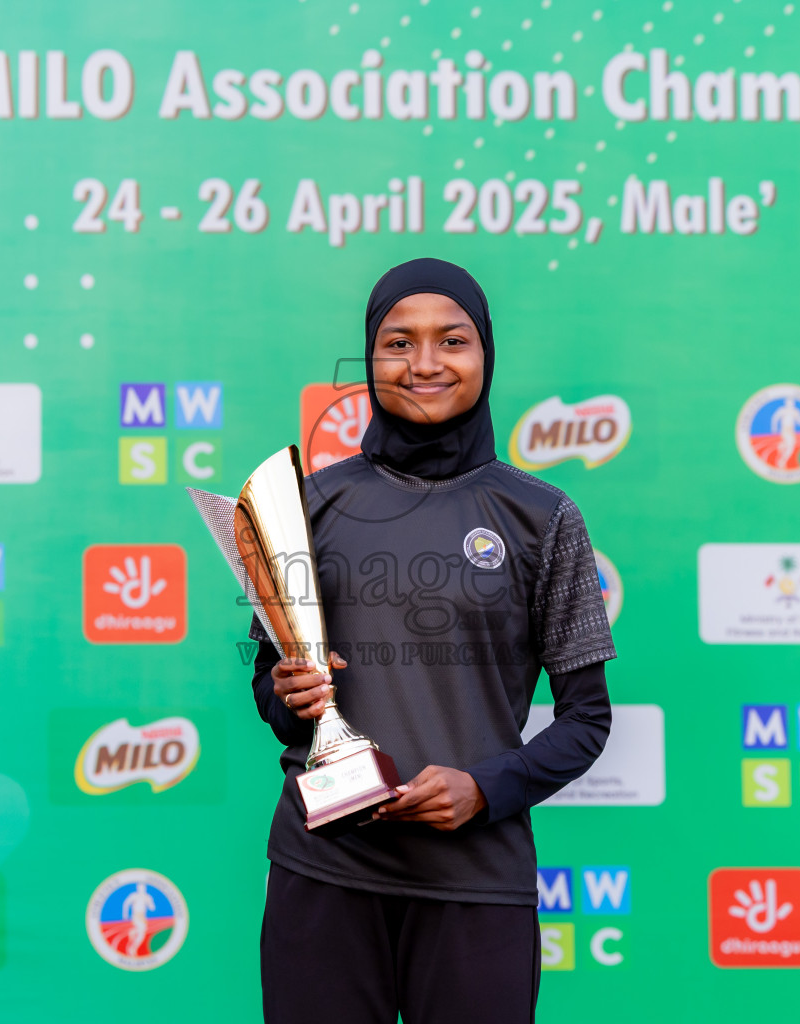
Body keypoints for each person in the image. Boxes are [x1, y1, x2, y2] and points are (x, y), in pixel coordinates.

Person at [250, 258, 616, 1024]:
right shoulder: (307, 505)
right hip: (324, 871)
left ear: (486, 353)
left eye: (451, 340)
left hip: (475, 882)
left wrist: (485, 788)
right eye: (397, 342)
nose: (424, 363)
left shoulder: (543, 516)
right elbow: (277, 702)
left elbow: (586, 721)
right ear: (369, 357)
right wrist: (289, 692)